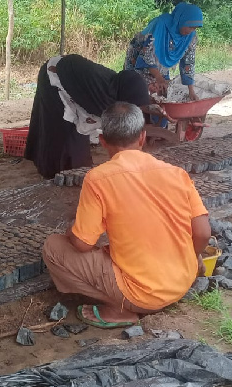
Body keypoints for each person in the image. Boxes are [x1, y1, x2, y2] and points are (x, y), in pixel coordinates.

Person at [42, 102, 211, 328]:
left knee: (53, 247)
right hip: (183, 282)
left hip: (143, 296)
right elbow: (202, 232)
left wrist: (72, 230)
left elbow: (82, 244)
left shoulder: (98, 179)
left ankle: (118, 308)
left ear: (102, 141)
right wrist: (190, 257)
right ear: (142, 137)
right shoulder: (176, 173)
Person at [24, 54, 172, 179]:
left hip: (74, 76)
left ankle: (72, 168)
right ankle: (53, 172)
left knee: (76, 140)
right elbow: (112, 135)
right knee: (61, 132)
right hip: (55, 77)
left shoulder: (122, 87)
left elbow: (138, 105)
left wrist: (156, 111)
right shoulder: (103, 96)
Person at [124, 2, 203, 102]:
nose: (191, 30)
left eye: (195, 28)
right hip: (138, 65)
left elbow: (188, 63)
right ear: (181, 20)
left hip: (161, 69)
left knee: (162, 95)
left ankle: (160, 117)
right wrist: (159, 78)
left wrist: (191, 91)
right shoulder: (160, 25)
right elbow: (146, 55)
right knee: (138, 97)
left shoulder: (190, 37)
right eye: (190, 26)